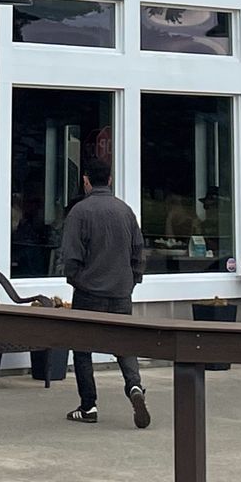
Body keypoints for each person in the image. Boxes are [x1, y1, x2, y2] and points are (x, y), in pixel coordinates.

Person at [58, 156, 150, 428]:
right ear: (109, 180)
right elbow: (138, 252)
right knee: (124, 344)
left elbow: (71, 256)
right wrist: (132, 281)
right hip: (121, 291)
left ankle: (89, 406)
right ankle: (134, 386)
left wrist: (76, 280)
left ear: (86, 180)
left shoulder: (79, 213)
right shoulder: (125, 211)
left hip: (89, 292)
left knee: (82, 348)